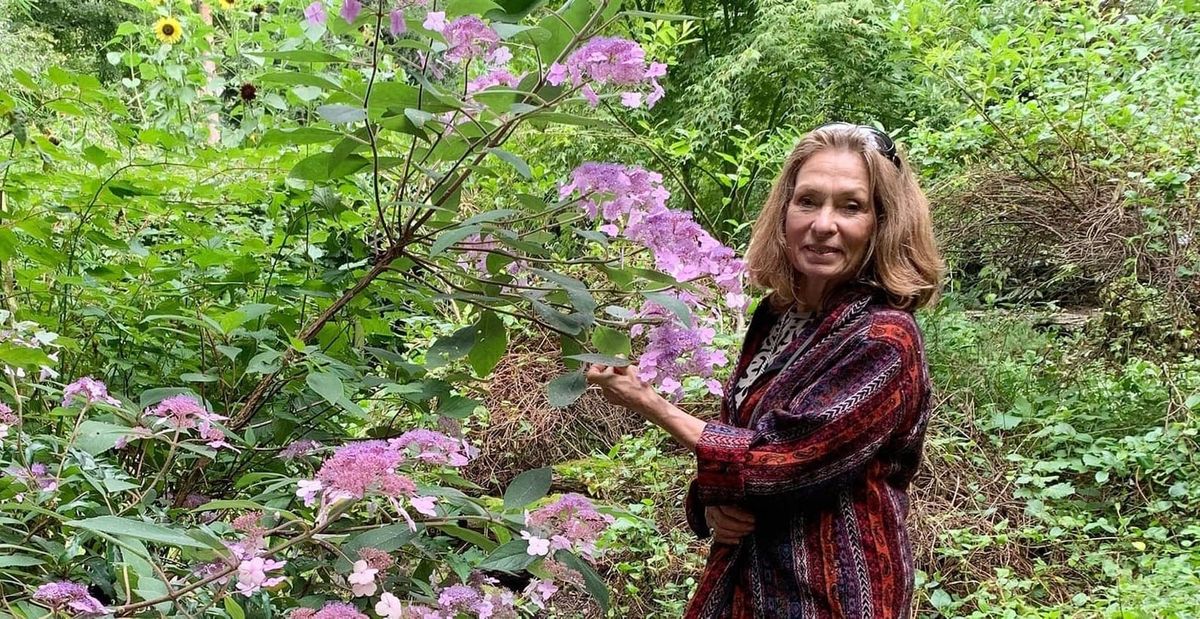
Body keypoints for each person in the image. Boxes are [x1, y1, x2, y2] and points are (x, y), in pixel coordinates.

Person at [586, 122, 944, 618]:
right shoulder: (779, 313)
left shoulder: (883, 337)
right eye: (808, 201)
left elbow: (784, 460)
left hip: (832, 591)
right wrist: (712, 502)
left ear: (884, 222)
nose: (823, 224)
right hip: (749, 580)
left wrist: (648, 402)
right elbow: (746, 432)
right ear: (784, 211)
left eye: (851, 206)